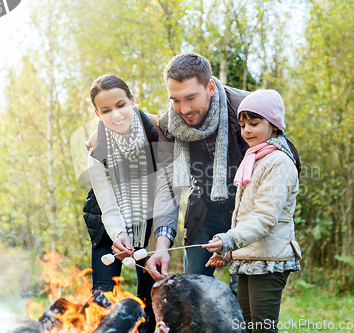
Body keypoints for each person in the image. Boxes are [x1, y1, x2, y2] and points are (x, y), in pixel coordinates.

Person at [202, 89, 302, 333]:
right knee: (248, 328)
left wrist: (229, 239)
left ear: (274, 125)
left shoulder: (278, 162)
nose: (246, 130)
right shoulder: (255, 159)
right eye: (243, 124)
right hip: (248, 258)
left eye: (254, 123)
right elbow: (244, 215)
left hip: (268, 260)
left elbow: (265, 217)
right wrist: (228, 252)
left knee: (262, 329)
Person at [146, 53, 250, 286]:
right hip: (203, 208)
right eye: (175, 100)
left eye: (191, 97)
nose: (184, 109)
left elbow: (280, 157)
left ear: (210, 87)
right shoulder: (168, 126)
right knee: (193, 287)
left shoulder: (245, 107)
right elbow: (167, 187)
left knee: (243, 291)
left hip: (247, 209)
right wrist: (161, 247)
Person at [84, 74, 158, 332]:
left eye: (120, 105)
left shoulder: (157, 132)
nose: (115, 114)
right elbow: (107, 202)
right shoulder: (96, 145)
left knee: (149, 294)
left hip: (147, 218)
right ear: (97, 113)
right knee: (102, 294)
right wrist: (119, 234)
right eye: (106, 110)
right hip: (106, 221)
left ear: (132, 101)